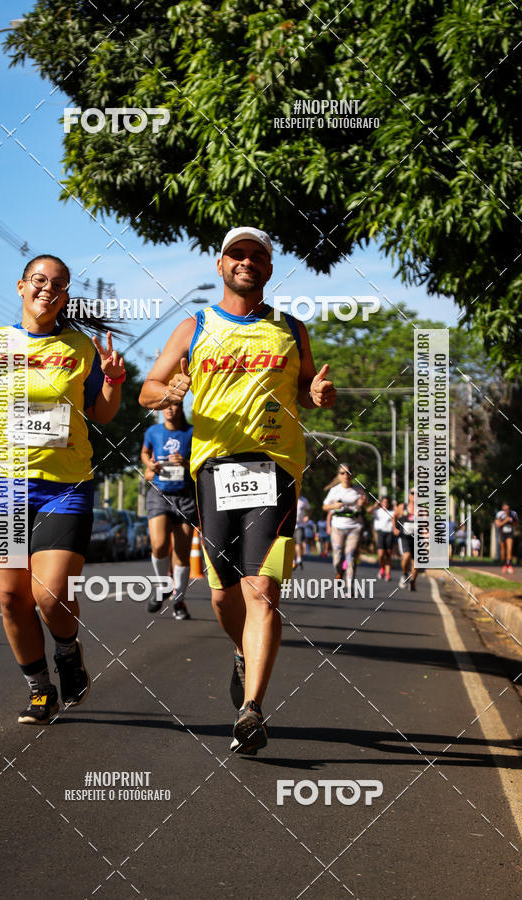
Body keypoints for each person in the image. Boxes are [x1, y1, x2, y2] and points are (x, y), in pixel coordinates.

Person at [138, 226, 336, 755]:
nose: (246, 262)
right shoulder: (195, 326)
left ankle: (252, 711)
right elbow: (147, 389)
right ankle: (243, 652)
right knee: (224, 594)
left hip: (276, 470)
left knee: (261, 592)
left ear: (269, 269)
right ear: (220, 265)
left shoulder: (291, 329)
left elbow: (307, 389)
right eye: (236, 254)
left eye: (256, 256)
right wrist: (169, 389)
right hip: (214, 471)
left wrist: (317, 393)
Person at [0, 254, 126, 724]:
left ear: (66, 295)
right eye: (39, 280)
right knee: (13, 597)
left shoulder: (80, 348)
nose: (47, 290)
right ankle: (39, 688)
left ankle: (69, 652)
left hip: (65, 487)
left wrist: (113, 381)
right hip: (7, 486)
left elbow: (102, 412)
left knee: (50, 596)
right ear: (20, 286)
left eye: (58, 284)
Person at [141, 402, 196, 620]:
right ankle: (162, 586)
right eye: (165, 405)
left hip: (186, 495)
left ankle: (179, 601)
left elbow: (202, 462)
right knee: (159, 544)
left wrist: (186, 463)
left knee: (182, 554)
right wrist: (149, 464)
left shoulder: (191, 432)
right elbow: (145, 453)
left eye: (174, 405)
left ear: (181, 407)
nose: (169, 409)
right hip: (160, 494)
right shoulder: (153, 431)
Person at [322, 463, 366, 584]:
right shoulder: (334, 490)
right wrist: (334, 506)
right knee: (337, 555)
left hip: (355, 526)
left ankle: (350, 583)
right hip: (338, 526)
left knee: (350, 555)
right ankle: (340, 571)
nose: (346, 475)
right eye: (343, 473)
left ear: (351, 475)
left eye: (348, 473)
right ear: (339, 475)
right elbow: (325, 507)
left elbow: (365, 504)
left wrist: (362, 503)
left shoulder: (358, 489)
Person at [394, 490, 419, 590]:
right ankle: (405, 574)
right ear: (409, 495)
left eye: (417, 494)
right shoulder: (402, 507)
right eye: (413, 493)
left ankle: (413, 580)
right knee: (406, 555)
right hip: (404, 537)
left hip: (418, 538)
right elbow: (394, 516)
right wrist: (394, 528)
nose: (415, 496)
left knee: (416, 562)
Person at [369, 496, 395, 580]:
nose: (385, 504)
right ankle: (382, 568)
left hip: (389, 534)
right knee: (380, 554)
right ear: (381, 503)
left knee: (388, 554)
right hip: (380, 533)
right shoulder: (377, 511)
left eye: (387, 502)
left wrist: (396, 507)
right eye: (384, 502)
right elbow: (368, 510)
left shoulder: (392, 512)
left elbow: (398, 516)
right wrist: (374, 506)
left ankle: (388, 574)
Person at [495, 503, 518, 574]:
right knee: (503, 551)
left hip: (510, 534)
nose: (506, 511)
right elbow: (498, 525)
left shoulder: (513, 514)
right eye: (505, 509)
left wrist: (512, 522)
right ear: (502, 508)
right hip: (502, 534)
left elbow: (516, 523)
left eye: (508, 509)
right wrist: (505, 521)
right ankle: (505, 564)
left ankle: (509, 565)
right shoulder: (499, 514)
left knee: (509, 549)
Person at [293, 494, 311, 569]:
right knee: (291, 543)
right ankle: (293, 561)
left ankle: (299, 559)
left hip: (300, 525)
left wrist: (307, 517)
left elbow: (309, 510)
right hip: (290, 524)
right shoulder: (290, 498)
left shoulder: (304, 500)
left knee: (298, 542)